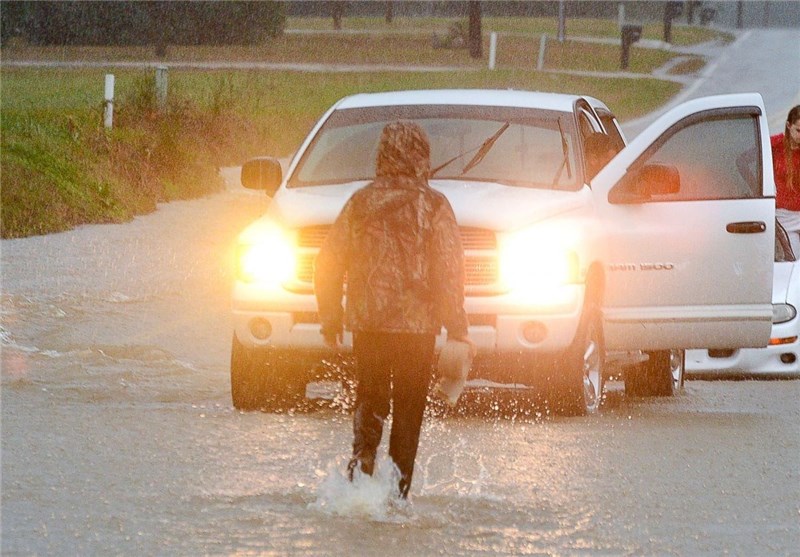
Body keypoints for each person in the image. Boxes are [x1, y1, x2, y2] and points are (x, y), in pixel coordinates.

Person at [314, 120, 470, 499]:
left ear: (381, 153)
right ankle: (398, 494)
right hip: (417, 330)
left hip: (368, 324)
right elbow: (448, 271)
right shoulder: (434, 205)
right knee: (409, 410)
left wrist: (331, 317)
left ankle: (361, 476)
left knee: (370, 398)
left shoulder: (360, 202)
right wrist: (458, 329)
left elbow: (328, 263)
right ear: (423, 155)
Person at [773, 105, 800, 254]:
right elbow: (743, 160)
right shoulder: (775, 145)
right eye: (798, 130)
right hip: (785, 217)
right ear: (789, 126)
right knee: (794, 262)